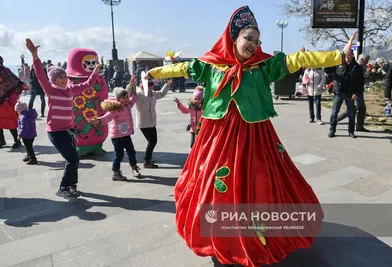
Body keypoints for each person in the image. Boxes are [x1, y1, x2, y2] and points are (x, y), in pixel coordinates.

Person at [144, 6, 355, 267]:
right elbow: (182, 69)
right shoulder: (210, 66)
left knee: (260, 181)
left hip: (255, 134)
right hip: (219, 133)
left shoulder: (264, 66)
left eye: (257, 41)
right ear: (234, 39)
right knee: (212, 182)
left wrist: (337, 55)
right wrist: (154, 73)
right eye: (249, 39)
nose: (254, 45)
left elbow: (298, 61)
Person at [26, 38, 100, 199]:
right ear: (53, 80)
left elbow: (87, 84)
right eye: (60, 77)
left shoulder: (70, 90)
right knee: (72, 158)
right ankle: (63, 187)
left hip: (69, 131)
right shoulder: (51, 90)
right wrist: (34, 55)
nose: (64, 79)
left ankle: (72, 185)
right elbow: (40, 76)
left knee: (74, 160)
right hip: (56, 132)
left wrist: (95, 72)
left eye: (65, 76)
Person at [89, 75, 142, 180]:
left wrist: (132, 85)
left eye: (126, 97)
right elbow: (107, 117)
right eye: (123, 97)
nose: (126, 99)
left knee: (131, 152)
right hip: (117, 136)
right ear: (118, 99)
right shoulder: (115, 108)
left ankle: (134, 168)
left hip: (126, 134)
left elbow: (134, 98)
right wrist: (99, 120)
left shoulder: (127, 105)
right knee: (119, 155)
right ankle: (116, 172)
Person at [135, 79, 172, 168]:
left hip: (151, 121)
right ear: (143, 87)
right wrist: (131, 84)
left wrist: (167, 85)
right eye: (149, 88)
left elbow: (161, 94)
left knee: (153, 141)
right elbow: (129, 93)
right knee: (152, 141)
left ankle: (148, 159)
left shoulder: (153, 94)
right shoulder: (138, 95)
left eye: (152, 87)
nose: (151, 89)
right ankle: (147, 161)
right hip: (143, 121)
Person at [328, 49, 363, 138]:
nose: (347, 57)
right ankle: (332, 130)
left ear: (352, 55)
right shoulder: (338, 64)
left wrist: (357, 93)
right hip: (339, 92)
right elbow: (327, 70)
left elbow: (360, 82)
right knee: (334, 112)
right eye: (346, 55)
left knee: (351, 114)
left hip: (350, 94)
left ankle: (351, 132)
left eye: (349, 55)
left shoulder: (357, 67)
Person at [0, 56, 29, 149]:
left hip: (6, 100)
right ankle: (1, 141)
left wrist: (23, 85)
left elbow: (15, 81)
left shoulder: (5, 71)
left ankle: (17, 141)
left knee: (10, 120)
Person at [336, 53, 370, 131]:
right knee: (357, 108)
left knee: (356, 108)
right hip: (355, 91)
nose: (367, 62)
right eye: (366, 60)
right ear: (362, 60)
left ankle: (336, 119)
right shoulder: (357, 67)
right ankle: (358, 126)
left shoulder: (361, 67)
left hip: (358, 90)